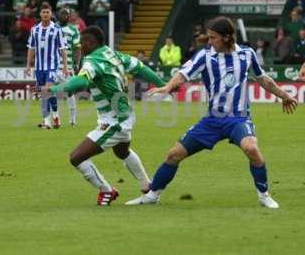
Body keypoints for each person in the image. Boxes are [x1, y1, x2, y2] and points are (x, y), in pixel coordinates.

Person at [126, 16, 298, 209]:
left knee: (252, 149)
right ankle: (152, 195)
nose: (209, 42)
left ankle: (264, 195)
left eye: (213, 38)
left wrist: (284, 96)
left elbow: (263, 79)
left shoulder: (246, 54)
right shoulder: (205, 56)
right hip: (212, 120)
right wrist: (167, 87)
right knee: (174, 154)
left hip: (238, 118)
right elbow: (184, 74)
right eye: (208, 38)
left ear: (226, 37)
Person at [43, 26, 166, 205]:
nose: (79, 47)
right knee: (121, 151)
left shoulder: (92, 60)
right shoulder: (114, 54)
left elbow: (82, 80)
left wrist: (52, 89)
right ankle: (147, 186)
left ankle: (106, 190)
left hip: (115, 120)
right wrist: (163, 84)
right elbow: (140, 68)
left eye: (82, 44)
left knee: (76, 157)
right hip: (124, 114)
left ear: (91, 43)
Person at [26, 3, 68, 129]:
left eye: (47, 12)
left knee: (48, 90)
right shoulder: (35, 30)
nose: (45, 14)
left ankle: (52, 118)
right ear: (40, 14)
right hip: (39, 67)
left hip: (52, 66)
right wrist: (28, 65)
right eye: (43, 12)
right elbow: (31, 48)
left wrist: (65, 67)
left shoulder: (57, 29)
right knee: (44, 93)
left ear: (51, 14)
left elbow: (63, 49)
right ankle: (49, 120)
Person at [56, 8, 81, 126]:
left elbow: (77, 48)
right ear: (58, 15)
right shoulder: (53, 28)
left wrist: (77, 64)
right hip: (53, 66)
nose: (64, 16)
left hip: (68, 66)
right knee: (52, 92)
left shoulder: (73, 29)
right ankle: (54, 119)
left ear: (69, 16)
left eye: (66, 14)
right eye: (62, 14)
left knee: (70, 92)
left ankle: (72, 120)